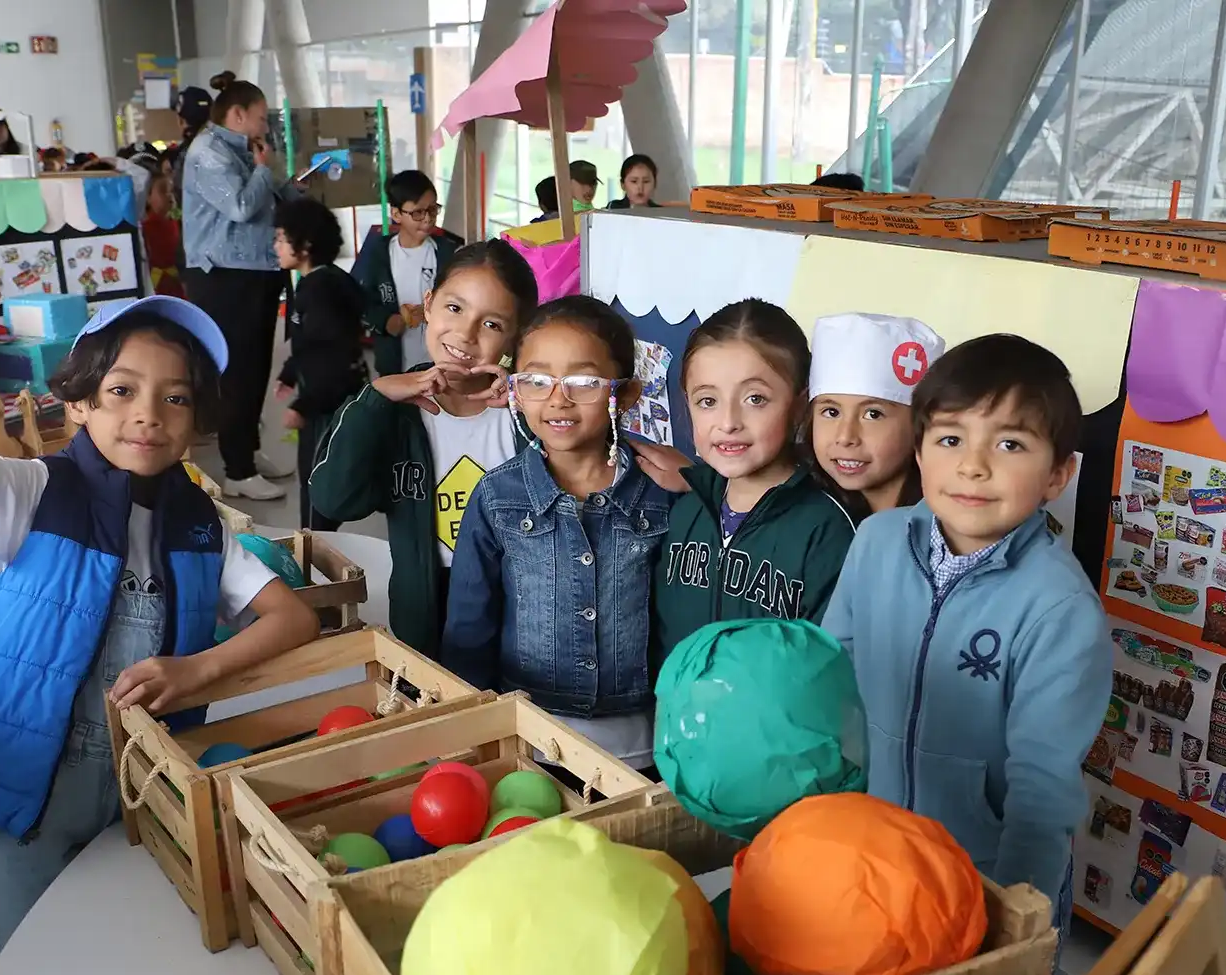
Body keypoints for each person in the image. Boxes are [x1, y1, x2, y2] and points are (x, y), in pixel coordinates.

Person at [0, 269, 320, 956]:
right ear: (79, 402)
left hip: (142, 791)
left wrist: (197, 668)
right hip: (27, 792)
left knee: (126, 948)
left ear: (198, 422)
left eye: (177, 398)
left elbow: (293, 618)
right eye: (121, 390)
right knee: (33, 961)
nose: (150, 414)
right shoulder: (34, 491)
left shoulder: (201, 524)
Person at [822, 333, 1109, 929]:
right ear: (921, 455)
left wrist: (1010, 919)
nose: (973, 465)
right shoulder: (875, 542)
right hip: (875, 847)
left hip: (982, 876)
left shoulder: (1060, 608)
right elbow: (832, 674)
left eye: (1009, 443)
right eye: (951, 439)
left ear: (1059, 474)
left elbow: (1041, 793)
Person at [442, 296, 668, 768]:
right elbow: (469, 626)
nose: (558, 399)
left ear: (623, 395)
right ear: (517, 391)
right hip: (531, 738)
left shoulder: (662, 494)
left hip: (643, 743)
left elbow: (674, 621)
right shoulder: (497, 496)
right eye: (538, 381)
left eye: (584, 381)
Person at [310, 241, 539, 656]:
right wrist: (375, 398)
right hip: (425, 624)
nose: (465, 334)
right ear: (429, 304)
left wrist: (531, 397)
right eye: (455, 308)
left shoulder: (525, 412)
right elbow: (333, 499)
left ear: (516, 337)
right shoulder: (392, 413)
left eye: (491, 324)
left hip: (523, 619)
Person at [651, 299, 856, 667]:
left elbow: (831, 669)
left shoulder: (827, 530)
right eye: (708, 400)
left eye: (755, 399)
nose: (729, 421)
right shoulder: (686, 511)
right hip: (678, 721)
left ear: (799, 406)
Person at [182, 71, 291, 500]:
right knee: (237, 372)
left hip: (256, 271)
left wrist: (284, 179)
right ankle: (237, 469)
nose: (266, 126)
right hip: (224, 276)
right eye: (262, 118)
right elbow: (242, 207)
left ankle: (248, 451)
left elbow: (268, 196)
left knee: (257, 367)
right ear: (238, 114)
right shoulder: (208, 152)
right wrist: (264, 171)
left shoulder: (244, 150)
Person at [273, 197, 364, 529]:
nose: (276, 246)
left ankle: (315, 563)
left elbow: (333, 356)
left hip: (327, 406)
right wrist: (291, 372)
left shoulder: (320, 291)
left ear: (306, 245)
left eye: (282, 238)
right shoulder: (322, 281)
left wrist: (304, 404)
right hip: (327, 398)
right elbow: (311, 342)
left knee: (317, 490)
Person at [807, 312, 944, 519]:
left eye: (873, 414)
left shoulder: (942, 523)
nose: (845, 437)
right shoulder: (806, 513)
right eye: (831, 412)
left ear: (919, 424)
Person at [351, 170, 462, 377]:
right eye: (418, 213)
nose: (428, 219)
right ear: (396, 214)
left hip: (439, 364)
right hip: (395, 364)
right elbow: (363, 301)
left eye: (433, 209)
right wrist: (386, 322)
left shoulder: (447, 252)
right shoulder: (379, 253)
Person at [141, 173, 183, 297]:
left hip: (176, 283)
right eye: (163, 191)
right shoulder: (144, 227)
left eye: (171, 191)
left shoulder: (177, 222)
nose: (170, 196)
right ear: (147, 197)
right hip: (155, 285)